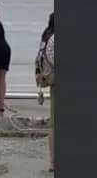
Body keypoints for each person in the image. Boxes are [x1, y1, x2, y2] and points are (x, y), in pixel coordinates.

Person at [35, 12, 55, 172]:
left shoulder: (46, 37)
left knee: (53, 123)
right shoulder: (54, 38)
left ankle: (52, 163)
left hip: (51, 81)